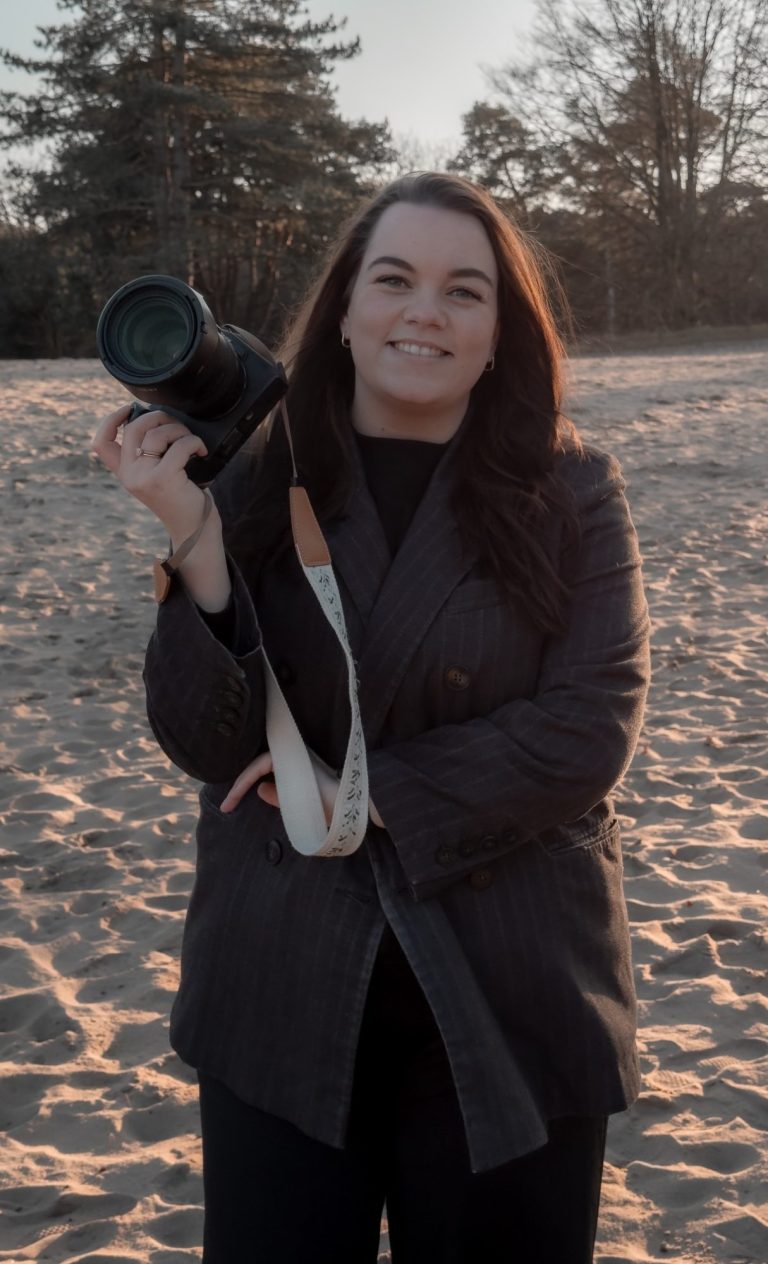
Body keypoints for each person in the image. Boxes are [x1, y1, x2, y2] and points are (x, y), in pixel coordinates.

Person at [90, 171, 651, 1264]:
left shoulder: (574, 488)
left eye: (463, 291)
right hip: (279, 980)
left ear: (500, 333)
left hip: (510, 982)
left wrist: (363, 793)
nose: (423, 312)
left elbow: (593, 724)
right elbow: (206, 745)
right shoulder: (253, 475)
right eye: (393, 280)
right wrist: (191, 535)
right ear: (343, 313)